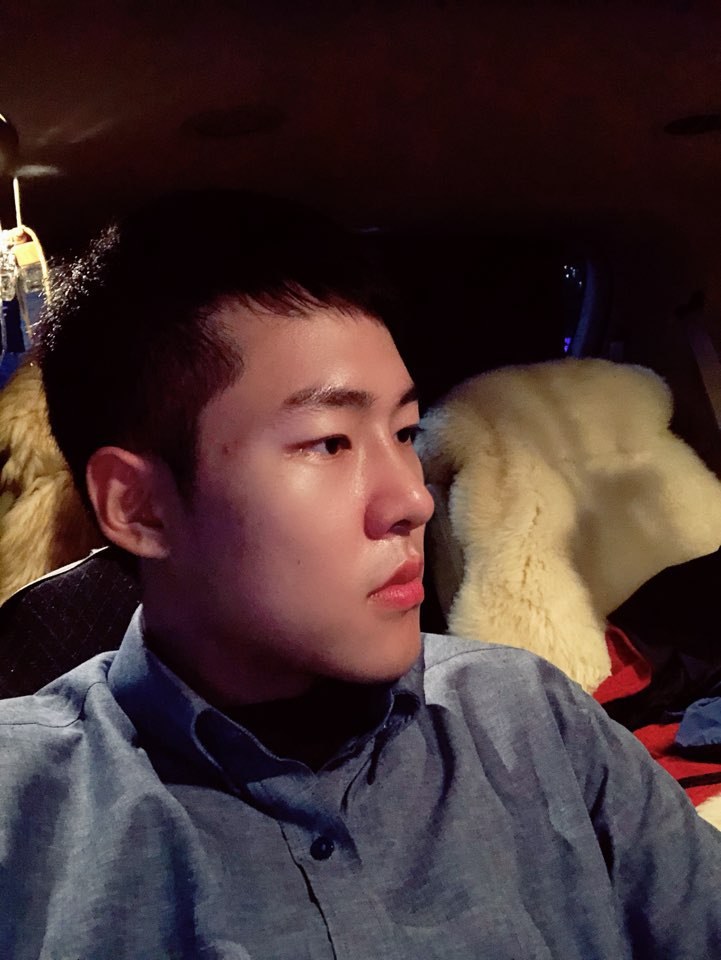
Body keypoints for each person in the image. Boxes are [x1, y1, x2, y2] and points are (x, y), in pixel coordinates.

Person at [0, 190, 720, 960]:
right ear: (139, 506)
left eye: (404, 432)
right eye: (329, 443)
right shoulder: (26, 811)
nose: (413, 498)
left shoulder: (531, 718)